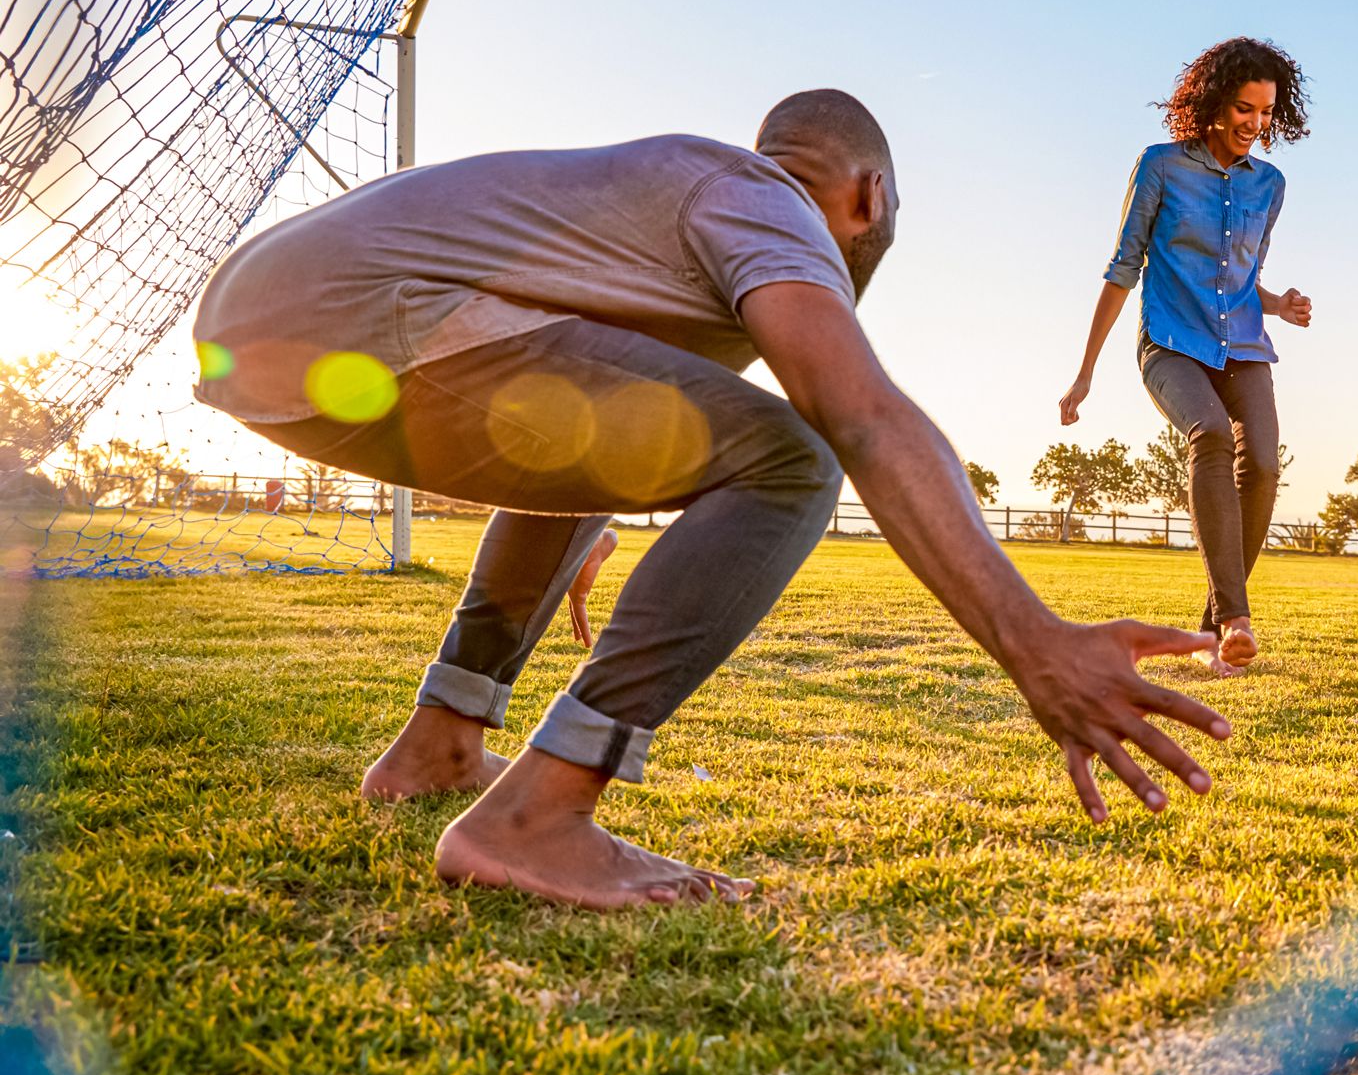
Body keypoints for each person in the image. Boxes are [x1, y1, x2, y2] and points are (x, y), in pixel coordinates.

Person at [190, 90, 1232, 911]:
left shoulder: (675, 214)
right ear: (867, 195)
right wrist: (1032, 641)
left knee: (650, 440)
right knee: (793, 459)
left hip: (269, 329)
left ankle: (438, 745)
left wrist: (580, 494)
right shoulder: (760, 197)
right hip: (361, 315)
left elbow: (578, 411)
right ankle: (534, 819)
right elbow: (859, 414)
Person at [1057, 38, 1313, 678]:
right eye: (1243, 109)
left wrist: (1280, 303)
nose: (1254, 125)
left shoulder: (1270, 185)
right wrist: (1086, 371)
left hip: (1246, 347)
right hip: (1171, 344)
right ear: (1213, 103)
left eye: (1265, 112)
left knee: (1261, 462)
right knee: (1211, 436)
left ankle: (1214, 628)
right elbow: (1123, 268)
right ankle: (1236, 618)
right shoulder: (1161, 166)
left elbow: (1242, 275)